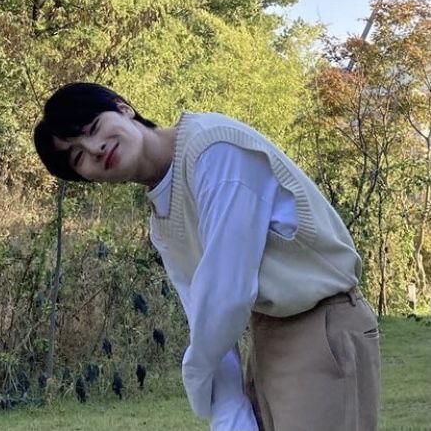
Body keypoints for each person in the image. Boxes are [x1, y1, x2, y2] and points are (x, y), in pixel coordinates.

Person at [33, 82, 380, 431]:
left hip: (319, 324)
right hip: (265, 335)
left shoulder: (213, 149)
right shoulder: (162, 219)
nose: (94, 149)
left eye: (93, 128)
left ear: (123, 107)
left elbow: (226, 295)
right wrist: (228, 415)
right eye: (77, 156)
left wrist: (195, 375)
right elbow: (203, 315)